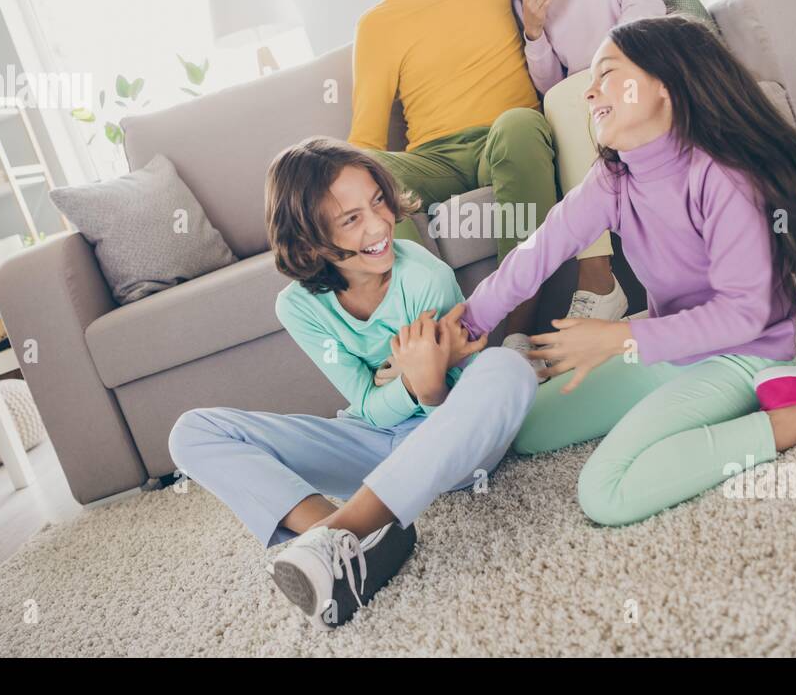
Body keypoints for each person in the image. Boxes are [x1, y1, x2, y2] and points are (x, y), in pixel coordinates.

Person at [460, 15, 796, 527]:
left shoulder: (723, 177)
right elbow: (537, 253)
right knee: (527, 431)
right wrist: (467, 323)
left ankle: (789, 420)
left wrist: (619, 339)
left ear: (665, 86)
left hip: (740, 356)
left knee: (605, 492)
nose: (590, 92)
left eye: (607, 74)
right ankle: (706, 407)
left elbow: (745, 315)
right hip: (667, 350)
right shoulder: (614, 177)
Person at [169, 138, 536, 628]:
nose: (380, 225)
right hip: (373, 442)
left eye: (378, 202)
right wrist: (406, 385)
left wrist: (426, 390)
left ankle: (342, 532)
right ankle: (353, 541)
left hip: (449, 448)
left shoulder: (425, 279)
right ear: (310, 243)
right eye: (351, 219)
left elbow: (458, 415)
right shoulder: (298, 306)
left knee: (507, 369)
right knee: (191, 432)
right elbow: (364, 404)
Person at [351, 0, 657, 373]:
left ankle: (516, 332)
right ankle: (430, 338)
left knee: (517, 124)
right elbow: (364, 138)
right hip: (434, 156)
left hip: (510, 134)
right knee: (368, 171)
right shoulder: (376, 26)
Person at [492, 0, 666, 329]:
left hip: (637, 65)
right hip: (589, 101)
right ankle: (602, 276)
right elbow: (551, 84)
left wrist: (611, 61)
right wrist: (532, 29)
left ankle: (597, 278)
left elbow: (642, 0)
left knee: (572, 98)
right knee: (559, 103)